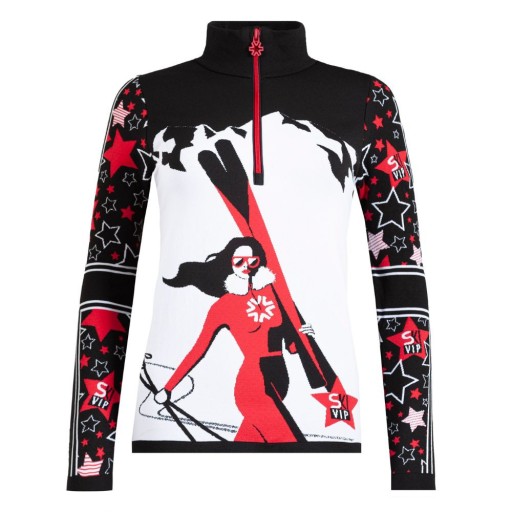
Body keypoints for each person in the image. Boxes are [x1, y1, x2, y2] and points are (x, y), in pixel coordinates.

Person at [154, 236, 315, 442]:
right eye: (239, 261)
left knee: (243, 448)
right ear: (229, 263)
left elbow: (291, 347)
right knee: (291, 444)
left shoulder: (276, 294)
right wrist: (168, 388)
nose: (246, 266)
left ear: (260, 261)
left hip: (279, 381)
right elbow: (198, 350)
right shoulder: (223, 306)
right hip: (254, 383)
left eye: (252, 261)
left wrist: (304, 335)